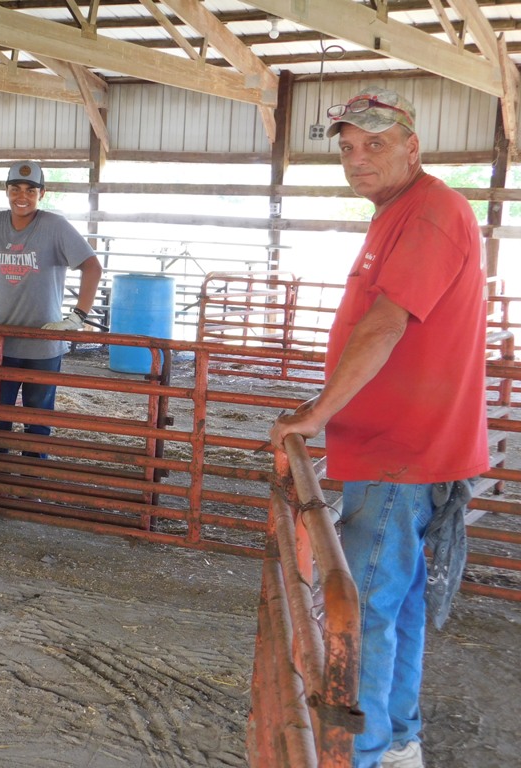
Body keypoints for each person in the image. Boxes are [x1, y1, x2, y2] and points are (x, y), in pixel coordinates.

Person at [269, 88, 488, 768]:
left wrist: (318, 412)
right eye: (347, 148)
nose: (357, 158)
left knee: (360, 608)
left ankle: (356, 753)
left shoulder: (430, 212)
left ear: (412, 147)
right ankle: (395, 740)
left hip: (400, 450)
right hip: (398, 446)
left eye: (374, 144)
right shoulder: (400, 213)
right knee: (397, 602)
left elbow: (388, 323)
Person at [0, 161, 102, 456]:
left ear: (42, 193)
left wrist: (77, 316)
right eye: (15, 189)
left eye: (31, 190)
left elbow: (92, 266)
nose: (22, 196)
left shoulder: (55, 227)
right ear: (6, 191)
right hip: (2, 343)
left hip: (44, 345)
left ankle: (32, 475)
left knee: (38, 420)